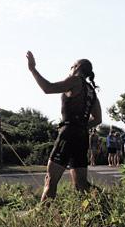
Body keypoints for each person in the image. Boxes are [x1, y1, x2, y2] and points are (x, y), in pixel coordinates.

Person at [26, 51, 102, 201]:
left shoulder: (75, 80)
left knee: (51, 179)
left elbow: (48, 88)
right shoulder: (92, 91)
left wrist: (33, 69)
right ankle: (105, 202)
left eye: (72, 66)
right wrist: (81, 126)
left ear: (77, 67)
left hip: (68, 133)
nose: (70, 69)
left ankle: (42, 216)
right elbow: (98, 119)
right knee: (81, 184)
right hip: (82, 136)